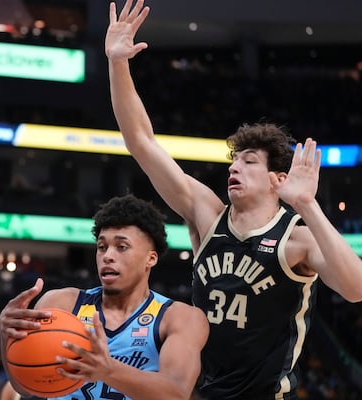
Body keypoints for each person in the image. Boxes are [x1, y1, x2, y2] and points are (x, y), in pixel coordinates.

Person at [105, 1, 362, 399]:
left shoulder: (297, 238)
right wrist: (118, 64)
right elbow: (141, 142)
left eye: (249, 161)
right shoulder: (207, 214)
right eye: (234, 160)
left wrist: (308, 206)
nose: (235, 168)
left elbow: (356, 288)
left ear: (278, 179)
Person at [0, 194, 210, 400]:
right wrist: (6, 336)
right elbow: (25, 387)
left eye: (121, 247)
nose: (107, 255)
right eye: (102, 247)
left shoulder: (179, 318)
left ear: (150, 258)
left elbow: (176, 393)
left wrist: (109, 370)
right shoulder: (61, 304)